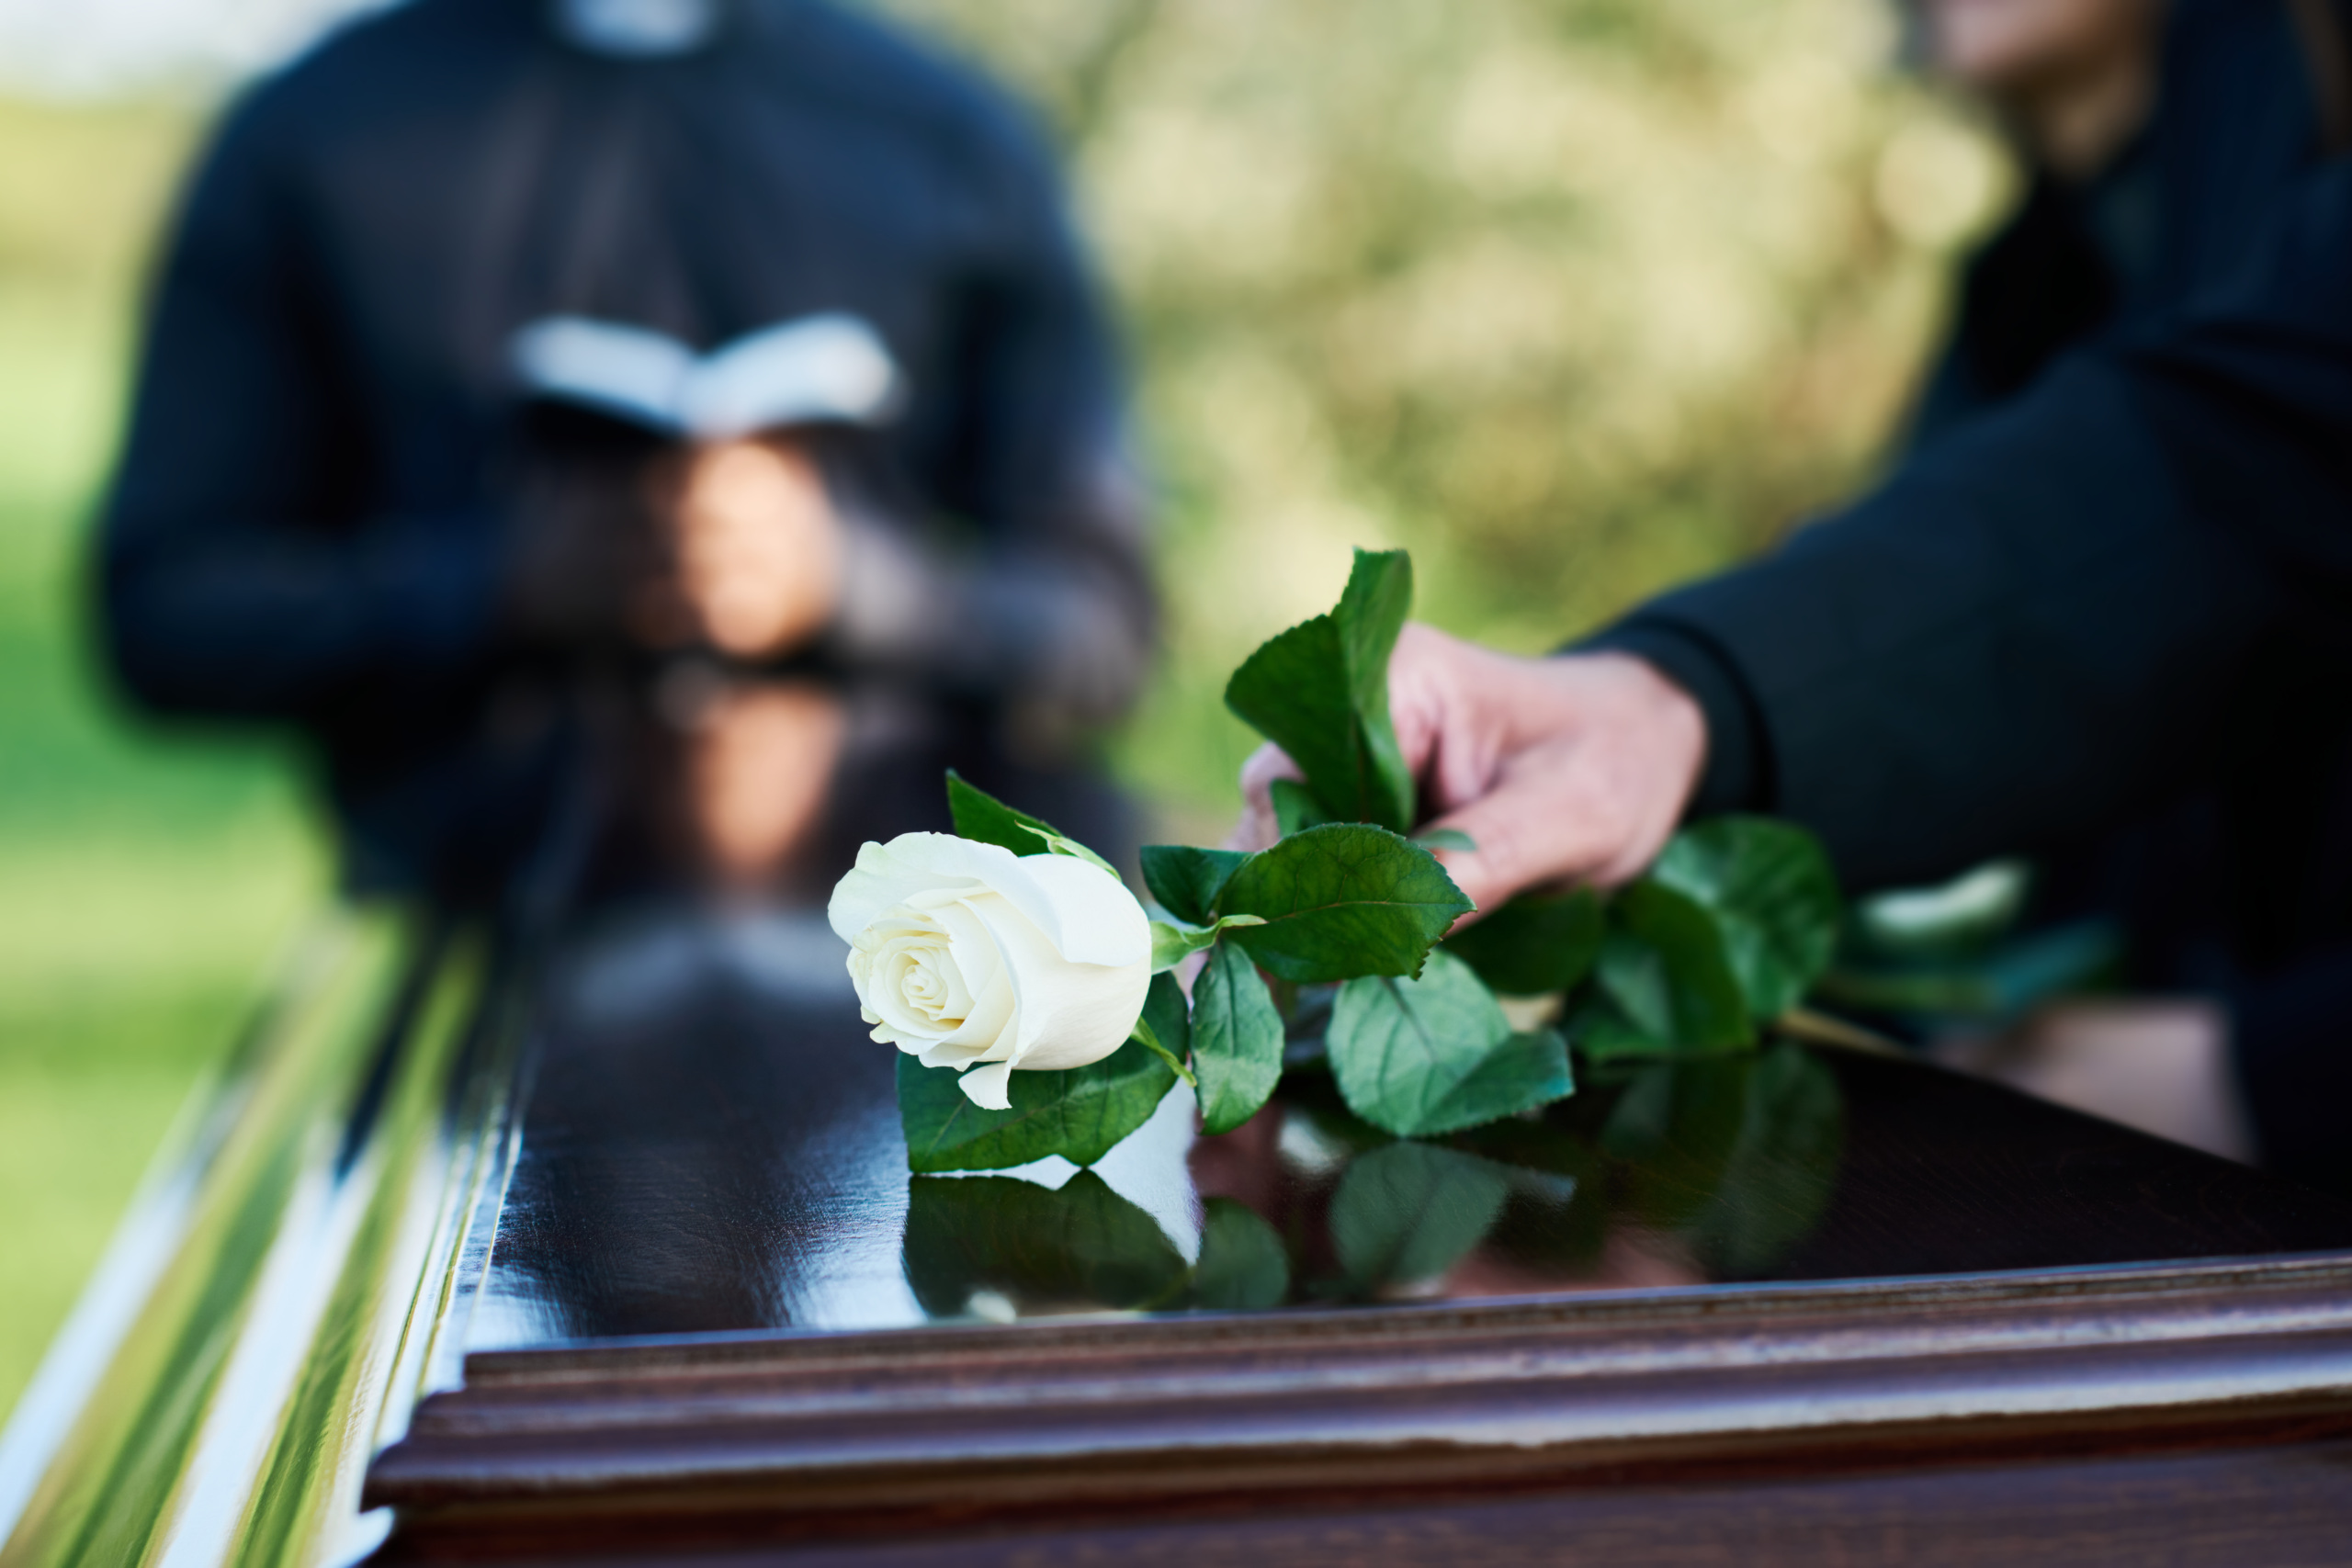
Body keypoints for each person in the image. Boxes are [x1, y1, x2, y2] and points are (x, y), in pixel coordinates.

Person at [1238, 0, 2352, 1187]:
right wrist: (1668, 701)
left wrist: (2275, 1074)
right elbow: (2217, 481)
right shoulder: (2027, 290)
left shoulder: (2254, 183)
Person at [96, 0, 1154, 898]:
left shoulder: (950, 136)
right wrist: (495, 583)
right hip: (470, 916)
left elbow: (1102, 627)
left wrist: (847, 582)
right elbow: (163, 613)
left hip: (900, 928)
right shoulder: (312, 133)